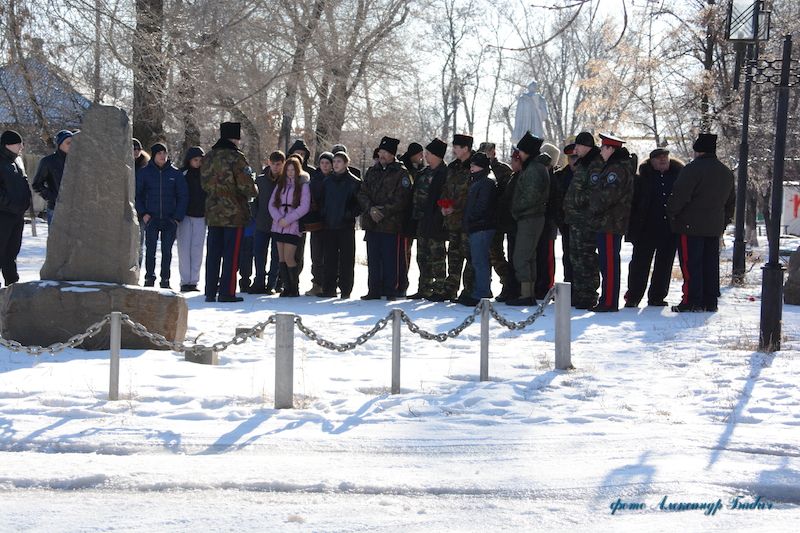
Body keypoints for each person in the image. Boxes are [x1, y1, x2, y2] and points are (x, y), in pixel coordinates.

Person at [667, 133, 735, 313]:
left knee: (691, 265)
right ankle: (710, 300)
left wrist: (671, 214)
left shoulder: (692, 169)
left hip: (690, 226)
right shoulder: (726, 172)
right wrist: (723, 222)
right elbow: (730, 203)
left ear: (697, 150)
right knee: (710, 265)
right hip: (714, 228)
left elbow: (679, 196)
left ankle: (691, 300)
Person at [200, 122, 258, 303]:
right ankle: (227, 291)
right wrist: (254, 189)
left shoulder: (208, 157)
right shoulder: (236, 158)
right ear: (235, 138)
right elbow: (246, 186)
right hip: (233, 213)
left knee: (213, 253)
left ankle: (210, 291)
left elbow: (203, 184)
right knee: (231, 255)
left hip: (212, 211)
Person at [624, 148, 683, 308]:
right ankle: (633, 296)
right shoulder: (642, 178)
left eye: (665, 157)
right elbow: (633, 203)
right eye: (658, 158)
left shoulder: (678, 176)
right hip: (646, 229)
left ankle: (657, 296)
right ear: (651, 161)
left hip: (669, 229)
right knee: (639, 264)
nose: (663, 160)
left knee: (664, 265)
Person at [357, 136, 413, 300]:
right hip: (372, 223)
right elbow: (362, 193)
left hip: (391, 224)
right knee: (373, 258)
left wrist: (382, 212)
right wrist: (371, 209)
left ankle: (391, 290)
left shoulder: (401, 173)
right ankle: (373, 289)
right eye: (381, 151)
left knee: (391, 259)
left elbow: (402, 199)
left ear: (392, 154)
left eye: (386, 152)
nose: (382, 155)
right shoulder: (372, 171)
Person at [587, 134, 634, 312]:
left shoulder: (616, 170)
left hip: (610, 222)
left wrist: (593, 200)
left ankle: (609, 301)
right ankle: (607, 299)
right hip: (608, 222)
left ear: (611, 149)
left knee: (609, 262)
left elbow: (607, 196)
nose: (601, 151)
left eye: (603, 148)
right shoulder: (614, 167)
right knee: (607, 262)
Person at [135, 143, 188, 289]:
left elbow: (183, 196)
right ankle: (149, 278)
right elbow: (137, 195)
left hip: (169, 218)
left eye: (165, 153)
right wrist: (143, 213)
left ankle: (165, 279)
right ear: (154, 155)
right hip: (150, 218)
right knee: (150, 250)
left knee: (167, 251)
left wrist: (177, 217)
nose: (163, 156)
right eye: (159, 153)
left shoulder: (175, 173)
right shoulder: (145, 173)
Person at [507, 132, 549, 306]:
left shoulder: (534, 170)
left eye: (522, 152)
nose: (520, 155)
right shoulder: (535, 168)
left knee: (521, 257)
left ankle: (526, 295)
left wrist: (515, 208)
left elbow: (530, 197)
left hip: (529, 217)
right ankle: (528, 293)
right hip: (531, 217)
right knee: (528, 256)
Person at [563, 131, 603, 309]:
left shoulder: (595, 164)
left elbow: (593, 192)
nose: (576, 149)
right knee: (576, 258)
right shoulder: (583, 164)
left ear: (587, 146)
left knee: (587, 258)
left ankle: (589, 294)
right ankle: (579, 293)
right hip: (575, 220)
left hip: (586, 220)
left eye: (578, 146)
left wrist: (577, 202)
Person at [434, 133, 475, 302]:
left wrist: (455, 207)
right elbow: (446, 189)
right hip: (452, 220)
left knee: (469, 255)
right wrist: (443, 205)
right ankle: (450, 289)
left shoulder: (475, 165)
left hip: (467, 220)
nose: (454, 150)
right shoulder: (453, 167)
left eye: (456, 147)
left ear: (466, 148)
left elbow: (472, 194)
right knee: (454, 255)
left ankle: (469, 290)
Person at [409, 138, 448, 300]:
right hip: (421, 220)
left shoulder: (445, 173)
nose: (425, 155)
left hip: (437, 221)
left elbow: (446, 196)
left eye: (429, 153)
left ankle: (439, 289)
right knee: (422, 256)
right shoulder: (423, 173)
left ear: (437, 155)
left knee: (437, 257)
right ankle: (423, 288)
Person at [320, 151, 361, 298]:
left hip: (345, 226)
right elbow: (322, 200)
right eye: (334, 161)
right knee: (329, 259)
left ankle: (345, 289)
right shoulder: (327, 181)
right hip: (329, 225)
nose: (335, 164)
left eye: (339, 161)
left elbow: (359, 204)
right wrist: (324, 213)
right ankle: (328, 289)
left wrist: (349, 214)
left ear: (345, 163)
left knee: (346, 260)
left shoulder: (354, 182)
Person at [269, 156, 310, 297]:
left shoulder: (303, 185)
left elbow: (304, 206)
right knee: (281, 258)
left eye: (293, 170)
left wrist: (289, 219)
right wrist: (279, 218)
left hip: (293, 226)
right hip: (278, 225)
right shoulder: (281, 184)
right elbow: (272, 204)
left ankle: (294, 287)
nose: (290, 172)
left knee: (289, 257)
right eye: (288, 169)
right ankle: (286, 287)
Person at [459, 152, 497, 306]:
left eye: (473, 165)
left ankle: (481, 292)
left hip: (481, 227)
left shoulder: (486, 182)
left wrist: (471, 219)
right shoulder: (480, 180)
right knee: (478, 260)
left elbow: (482, 206)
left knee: (480, 261)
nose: (471, 168)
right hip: (478, 226)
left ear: (480, 166)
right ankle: (480, 290)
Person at [478, 141, 514, 300]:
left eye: (486, 152)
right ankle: (485, 287)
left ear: (493, 152)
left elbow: (506, 195)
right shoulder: (479, 168)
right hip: (481, 219)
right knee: (482, 255)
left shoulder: (503, 170)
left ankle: (508, 285)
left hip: (496, 219)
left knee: (496, 255)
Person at [249, 150, 285, 294]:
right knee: (259, 254)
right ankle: (259, 282)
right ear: (269, 163)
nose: (276, 167)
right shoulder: (260, 180)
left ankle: (271, 283)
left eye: (279, 164)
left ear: (283, 164)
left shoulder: (285, 181)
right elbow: (253, 201)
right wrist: (256, 216)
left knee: (276, 256)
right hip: (262, 223)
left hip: (278, 225)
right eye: (273, 164)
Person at [0, 130, 31, 288]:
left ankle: (12, 286)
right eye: (19, 143)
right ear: (8, 145)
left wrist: (24, 205)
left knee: (11, 253)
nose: (22, 147)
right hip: (3, 216)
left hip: (17, 216)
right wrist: (11, 206)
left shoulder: (17, 161)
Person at [533, 142, 561, 300]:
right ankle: (540, 285)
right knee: (539, 256)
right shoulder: (541, 176)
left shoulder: (552, 179)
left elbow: (554, 202)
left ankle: (547, 286)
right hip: (540, 221)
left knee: (547, 257)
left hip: (548, 223)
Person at [177, 146, 206, 292]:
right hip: (184, 216)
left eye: (201, 160)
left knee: (197, 250)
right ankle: (184, 281)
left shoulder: (206, 175)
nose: (198, 163)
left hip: (201, 216)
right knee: (184, 249)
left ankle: (194, 281)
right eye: (196, 160)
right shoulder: (182, 173)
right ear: (189, 160)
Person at [303, 151, 333, 296]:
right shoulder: (315, 179)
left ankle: (329, 283)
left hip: (332, 222)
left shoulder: (335, 179)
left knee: (330, 255)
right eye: (322, 163)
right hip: (317, 222)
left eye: (327, 163)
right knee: (316, 254)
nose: (325, 166)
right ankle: (317, 283)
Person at [32, 129, 76, 225]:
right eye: (68, 143)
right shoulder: (48, 162)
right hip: (55, 209)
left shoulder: (78, 162)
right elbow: (37, 184)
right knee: (56, 239)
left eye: (74, 142)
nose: (72, 145)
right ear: (60, 144)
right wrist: (53, 197)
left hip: (76, 210)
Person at [495, 148, 523, 302]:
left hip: (516, 224)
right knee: (511, 257)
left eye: (514, 160)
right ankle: (510, 288)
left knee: (516, 259)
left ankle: (515, 289)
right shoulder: (514, 177)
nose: (511, 163)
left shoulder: (520, 177)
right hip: (510, 224)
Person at [553, 139, 578, 283]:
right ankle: (569, 287)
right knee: (567, 257)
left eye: (575, 157)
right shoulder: (561, 176)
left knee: (583, 258)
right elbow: (556, 200)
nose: (573, 161)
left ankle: (582, 290)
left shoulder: (588, 173)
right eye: (571, 158)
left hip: (583, 225)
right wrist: (561, 222)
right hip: (566, 224)